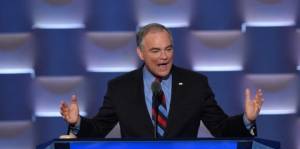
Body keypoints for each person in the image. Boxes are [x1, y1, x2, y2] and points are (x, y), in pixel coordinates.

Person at [60, 23, 264, 139]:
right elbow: (98, 130)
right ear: (140, 53)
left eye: (168, 49)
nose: (164, 57)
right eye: (155, 51)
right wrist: (77, 123)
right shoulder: (120, 88)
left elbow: (221, 128)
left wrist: (247, 119)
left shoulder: (196, 85)